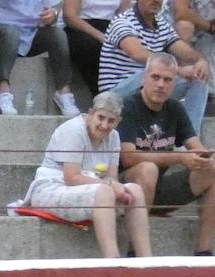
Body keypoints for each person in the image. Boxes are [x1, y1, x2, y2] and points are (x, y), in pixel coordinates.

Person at [22, 90, 152, 256]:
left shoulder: (114, 137)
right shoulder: (74, 130)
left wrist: (113, 186)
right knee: (105, 191)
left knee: (135, 190)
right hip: (51, 187)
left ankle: (146, 261)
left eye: (111, 120)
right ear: (91, 114)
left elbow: (111, 176)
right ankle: (113, 262)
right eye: (101, 118)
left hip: (92, 189)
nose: (105, 125)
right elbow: (72, 177)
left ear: (118, 122)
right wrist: (111, 186)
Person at [119, 53, 215, 253]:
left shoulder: (174, 109)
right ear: (144, 78)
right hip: (124, 193)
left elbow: (196, 147)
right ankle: (134, 251)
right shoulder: (128, 106)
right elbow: (127, 157)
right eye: (155, 77)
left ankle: (203, 252)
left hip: (158, 191)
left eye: (167, 79)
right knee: (147, 169)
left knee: (213, 169)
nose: (161, 84)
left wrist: (206, 158)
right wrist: (180, 158)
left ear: (174, 83)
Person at [100, 0, 210, 128]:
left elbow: (184, 51)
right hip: (116, 92)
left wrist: (201, 61)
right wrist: (177, 71)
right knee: (148, 73)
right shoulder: (122, 22)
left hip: (147, 84)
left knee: (198, 79)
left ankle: (191, 140)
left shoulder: (161, 24)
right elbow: (137, 54)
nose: (155, 1)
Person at [0, 0, 81, 114]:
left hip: (29, 32)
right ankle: (1, 91)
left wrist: (53, 14)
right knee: (11, 34)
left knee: (57, 34)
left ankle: (64, 93)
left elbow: (53, 10)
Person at [64, 0, 128, 94]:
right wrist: (99, 35)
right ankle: (100, 94)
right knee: (94, 48)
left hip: (109, 27)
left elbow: (122, 17)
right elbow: (69, 16)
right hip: (80, 28)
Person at [168, 0, 215, 65]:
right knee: (185, 26)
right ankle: (182, 68)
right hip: (176, 34)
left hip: (207, 40)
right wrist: (210, 26)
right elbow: (181, 13)